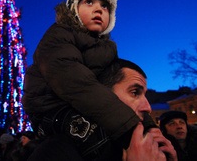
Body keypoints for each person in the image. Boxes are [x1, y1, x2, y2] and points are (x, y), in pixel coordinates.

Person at [22, 0, 154, 157]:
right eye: (89, 2)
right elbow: (75, 83)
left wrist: (150, 130)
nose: (98, 9)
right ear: (73, 8)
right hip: (51, 108)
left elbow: (112, 91)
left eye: (105, 6)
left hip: (83, 105)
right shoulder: (59, 35)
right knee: (97, 142)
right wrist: (129, 129)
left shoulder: (107, 49)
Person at [27, 59, 177, 161]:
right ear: (101, 96)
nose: (148, 107)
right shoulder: (55, 152)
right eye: (134, 93)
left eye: (145, 94)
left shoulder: (141, 145)